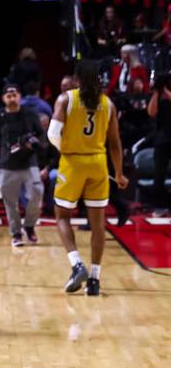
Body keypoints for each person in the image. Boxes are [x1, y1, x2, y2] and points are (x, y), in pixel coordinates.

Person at [48, 59, 126, 296]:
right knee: (98, 224)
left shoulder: (66, 99)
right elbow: (115, 143)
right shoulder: (108, 104)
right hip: (98, 164)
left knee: (62, 216)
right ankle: (94, 280)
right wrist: (119, 173)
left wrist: (66, 149)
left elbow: (52, 134)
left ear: (76, 79)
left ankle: (76, 264)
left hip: (73, 162)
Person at [0, 83, 45, 246]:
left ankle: (29, 226)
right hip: (7, 164)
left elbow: (42, 135)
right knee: (10, 202)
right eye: (8, 95)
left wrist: (35, 143)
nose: (12, 98)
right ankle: (16, 233)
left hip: (29, 162)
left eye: (14, 95)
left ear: (20, 96)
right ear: (3, 98)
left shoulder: (30, 114)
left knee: (37, 192)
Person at [147, 73, 171, 212]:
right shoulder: (159, 96)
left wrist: (167, 92)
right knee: (159, 174)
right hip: (162, 139)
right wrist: (156, 92)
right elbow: (151, 112)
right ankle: (159, 205)